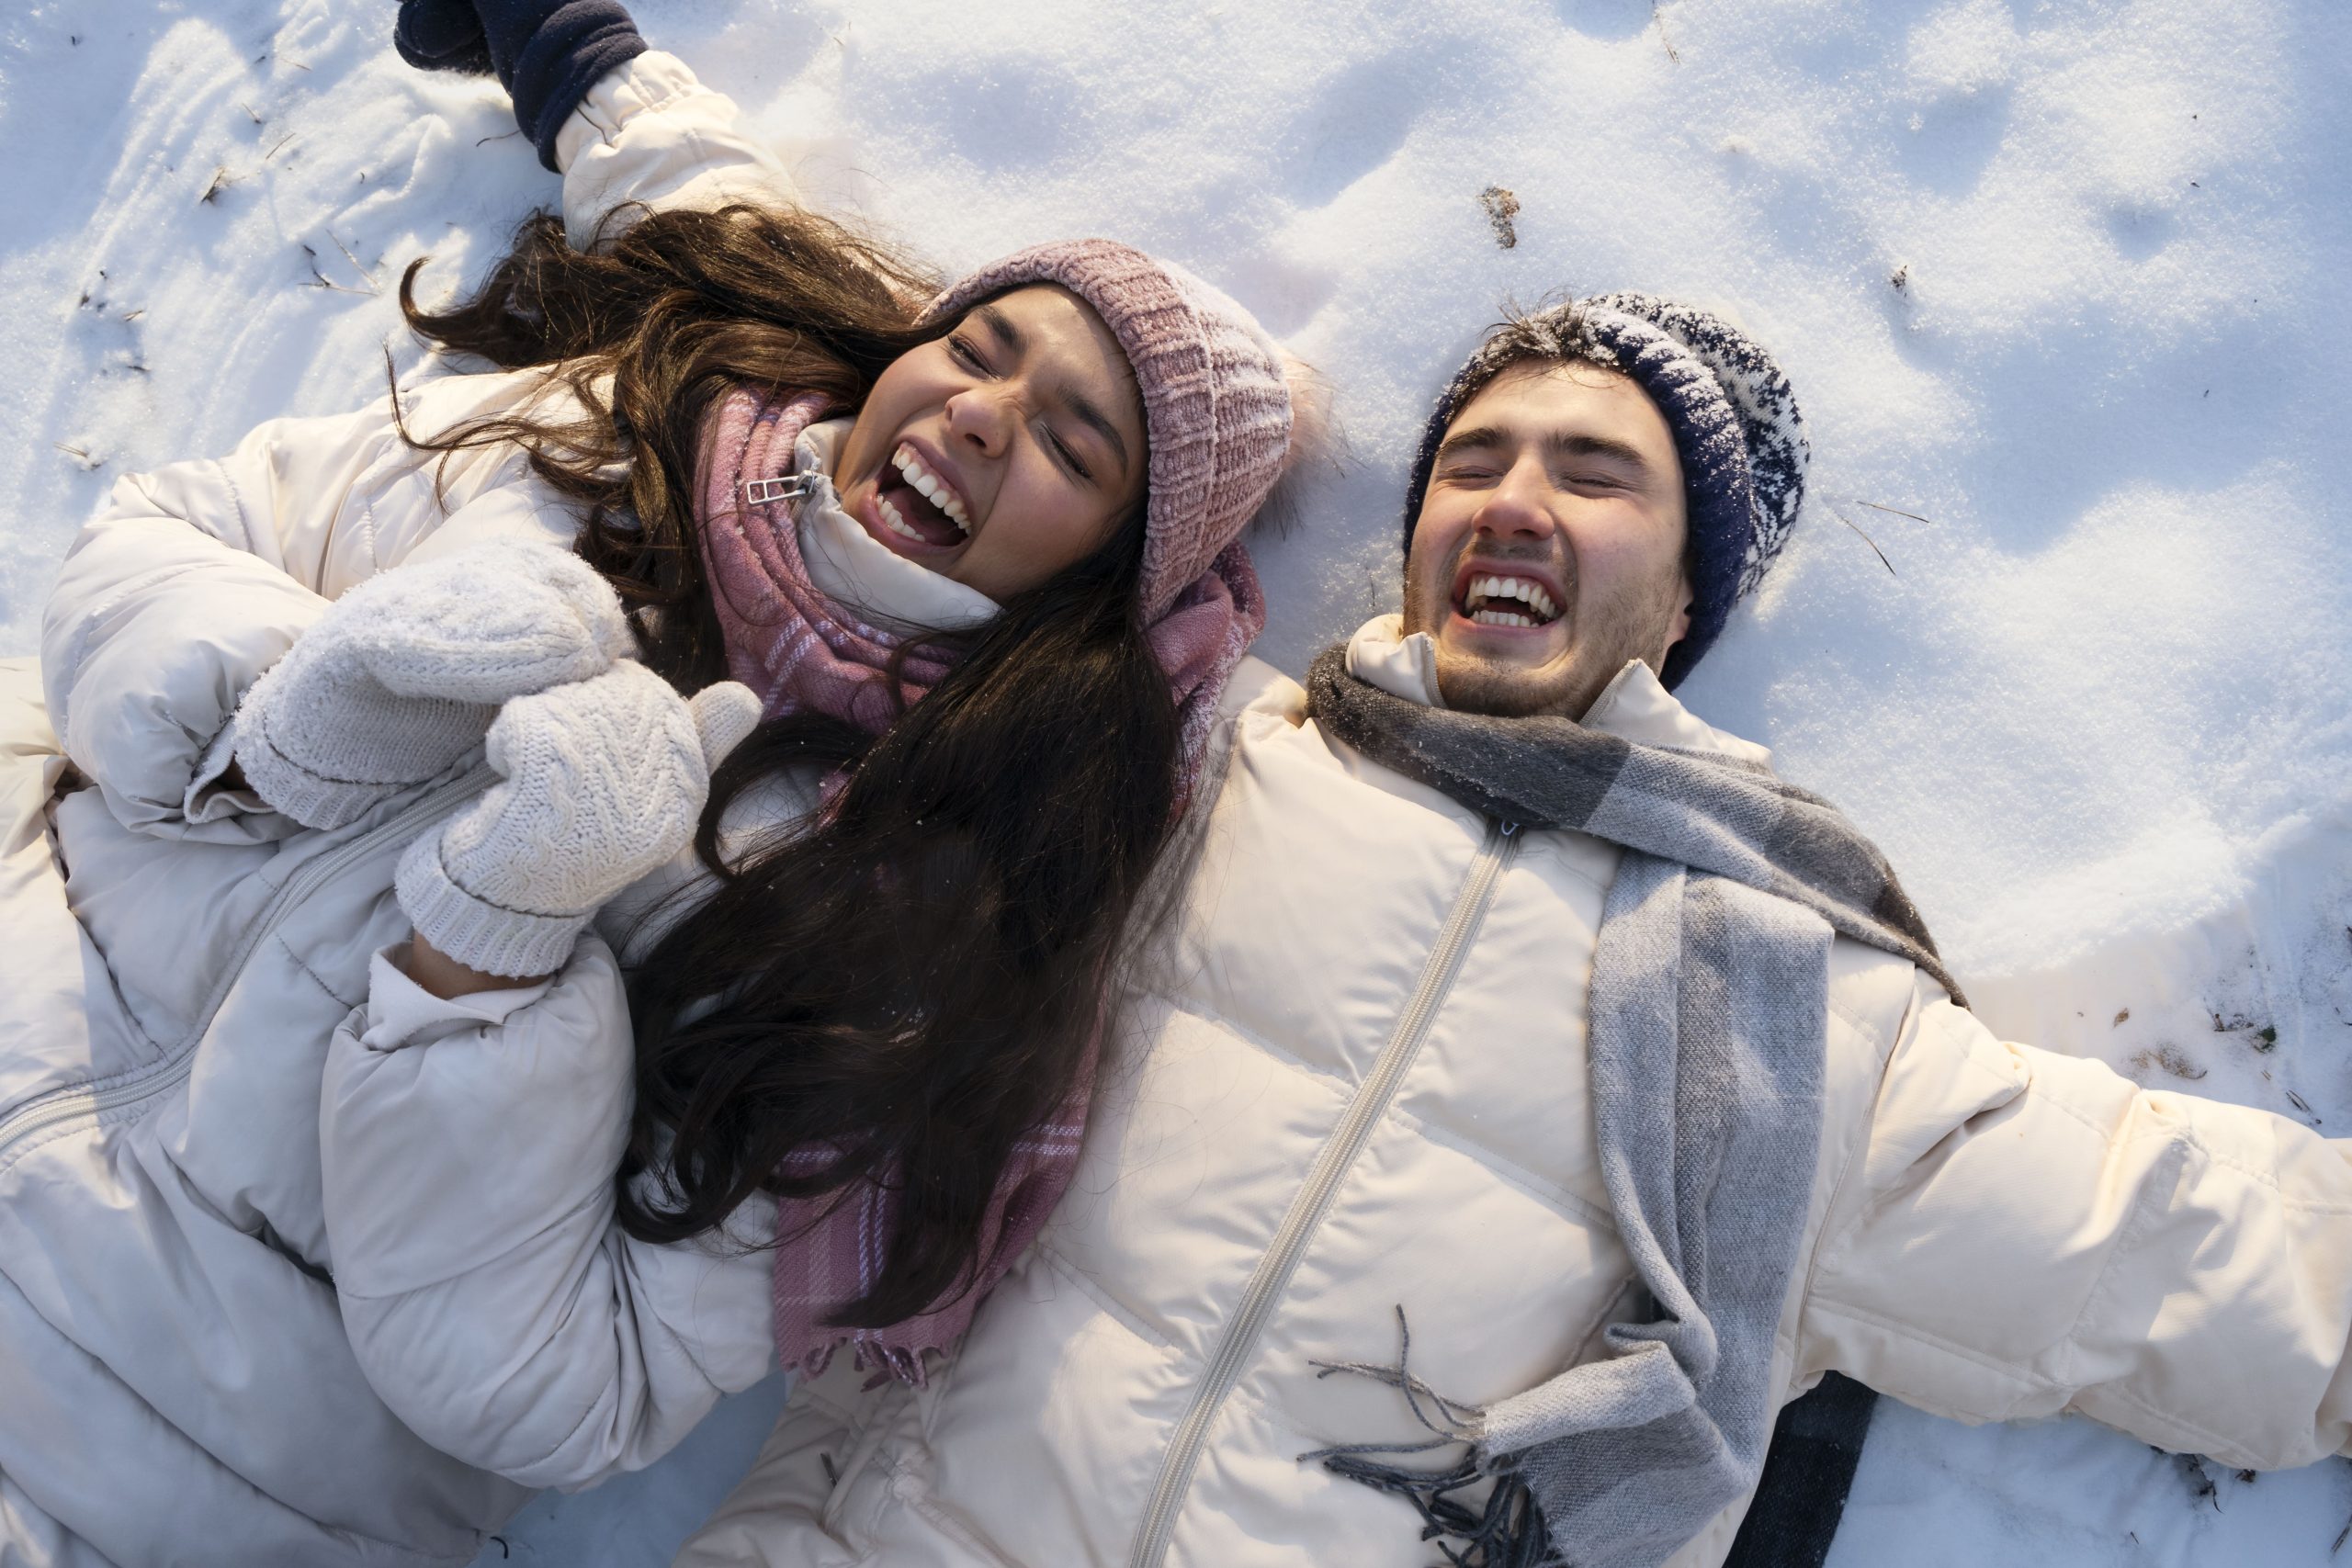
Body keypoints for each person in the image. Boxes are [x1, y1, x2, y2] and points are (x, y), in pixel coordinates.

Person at [671, 292, 2352, 1568]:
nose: (1515, 498)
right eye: (1474, 459)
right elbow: (851, 537)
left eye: (1597, 473)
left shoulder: (1772, 995)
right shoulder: (1186, 751)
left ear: (1686, 601)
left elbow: (2164, 1244)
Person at [0, 0, 1299, 1561]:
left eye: (1074, 448)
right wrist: (296, 708)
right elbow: (160, 535)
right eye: (975, 346)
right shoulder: (608, 445)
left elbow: (565, 1389)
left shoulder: (919, 919)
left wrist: (491, 949)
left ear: (1101, 580)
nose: (977, 411)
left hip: (161, 1443)